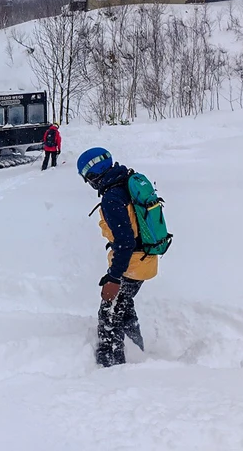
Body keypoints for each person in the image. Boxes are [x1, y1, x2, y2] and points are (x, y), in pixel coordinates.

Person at [76, 147, 157, 367]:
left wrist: (113, 277)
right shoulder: (125, 180)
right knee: (124, 304)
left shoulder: (112, 198)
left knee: (110, 313)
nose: (90, 184)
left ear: (94, 174)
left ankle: (112, 366)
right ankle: (137, 349)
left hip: (132, 264)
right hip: (144, 259)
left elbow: (125, 242)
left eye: (88, 178)